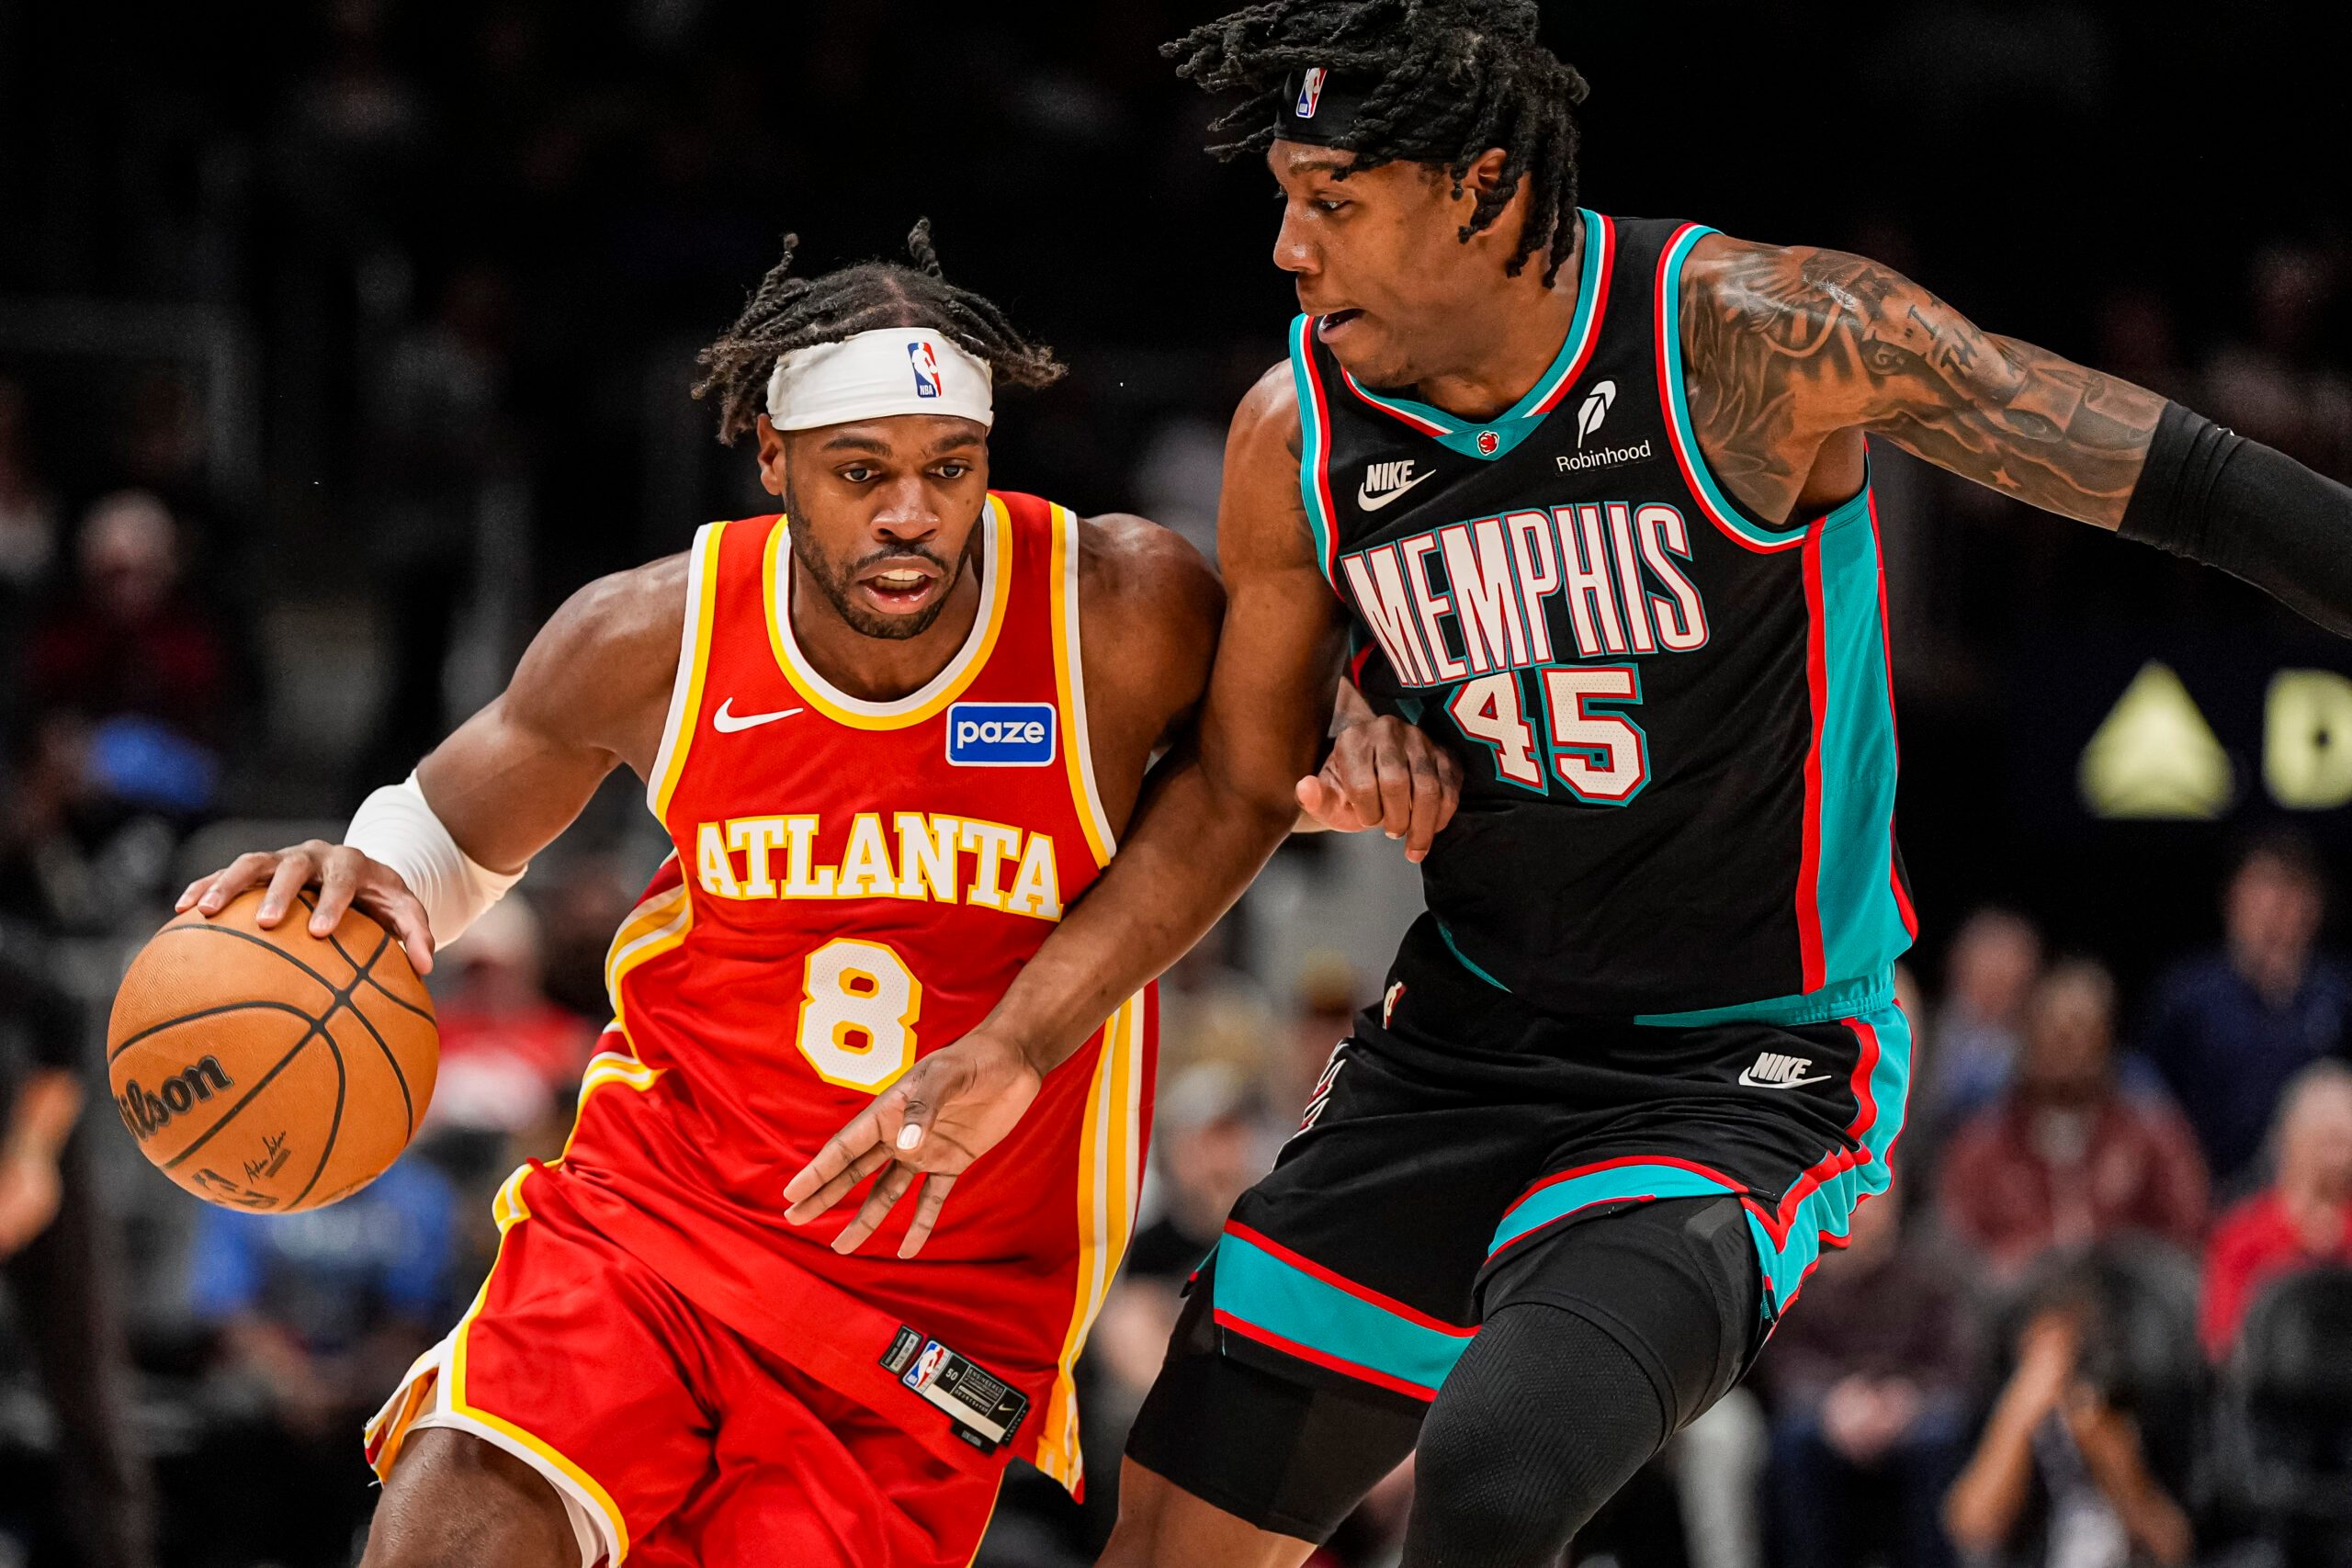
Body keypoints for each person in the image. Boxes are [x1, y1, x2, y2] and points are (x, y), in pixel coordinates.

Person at [784, 3, 2352, 1562]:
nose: (1286, 248)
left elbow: (2192, 482)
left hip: (1744, 1056)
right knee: (1171, 1533)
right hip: (1462, 1041)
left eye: (1332, 201)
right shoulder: (1298, 436)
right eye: (1283, 198)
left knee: (1499, 1470)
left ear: (1482, 189)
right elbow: (1238, 789)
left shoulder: (1749, 340)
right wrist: (1024, 1033)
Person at [176, 222, 1445, 1568]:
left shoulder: (1116, 608)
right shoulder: (651, 633)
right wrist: (367, 874)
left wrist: (1364, 717)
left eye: (948, 467)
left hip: (936, 1302)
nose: (911, 513)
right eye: (861, 471)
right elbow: (443, 835)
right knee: (446, 1527)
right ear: (774, 460)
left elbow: (1256, 767)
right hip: (658, 1219)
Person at [1939, 963, 2208, 1285]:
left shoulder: (2152, 1138)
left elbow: (2187, 1240)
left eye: (2081, 1031)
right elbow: (1954, 1252)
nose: (2066, 1047)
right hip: (2015, 1305)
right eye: (2053, 1032)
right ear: (2027, 1039)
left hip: (2125, 1302)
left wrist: (2119, 1261)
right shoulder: (1982, 1147)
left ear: (2107, 1041)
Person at [1758, 1184, 1973, 1568]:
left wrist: (1905, 1398)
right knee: (1793, 1437)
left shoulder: (1931, 1275)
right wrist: (1833, 1401)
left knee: (1940, 1433)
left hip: (1911, 1406)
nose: (1861, 1209)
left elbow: (1956, 1364)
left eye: (1872, 1194)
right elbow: (1783, 1364)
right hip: (1828, 1407)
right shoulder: (1798, 1274)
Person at [2142, 832, 2352, 1190]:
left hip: (2315, 1192)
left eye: (2289, 893)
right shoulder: (2188, 995)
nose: (2274, 909)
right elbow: (2150, 1098)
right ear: (2232, 899)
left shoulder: (2339, 995)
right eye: (2261, 891)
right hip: (2211, 1189)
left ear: (2314, 906)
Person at [2199, 1059, 2352, 1358]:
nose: (2337, 1158)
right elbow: (2220, 1341)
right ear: (2287, 1142)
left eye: (2345, 1143)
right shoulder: (2243, 1235)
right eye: (2327, 1142)